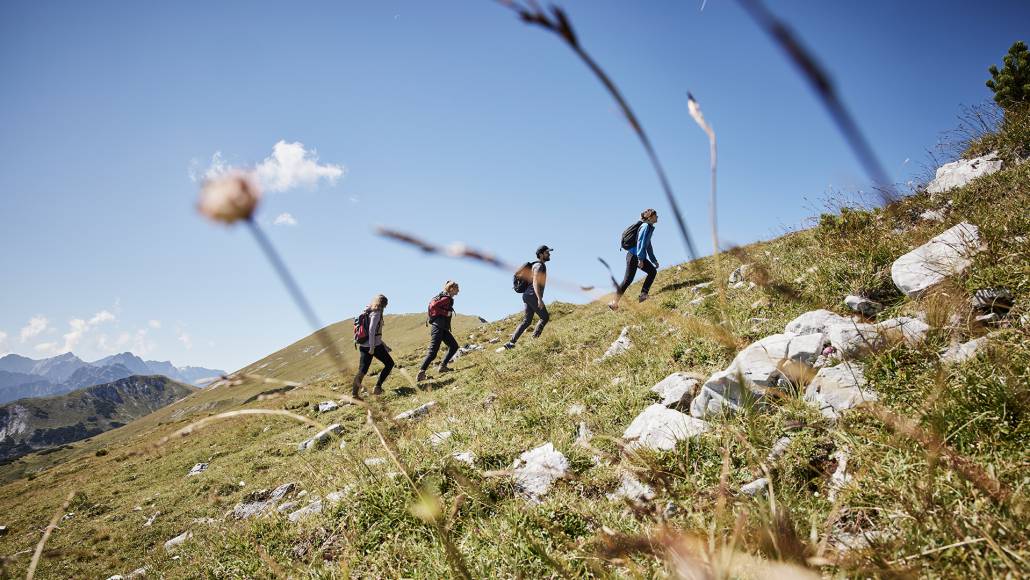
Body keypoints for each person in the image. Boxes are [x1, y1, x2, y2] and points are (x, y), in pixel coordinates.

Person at [609, 209, 659, 310]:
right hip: (633, 256)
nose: (657, 217)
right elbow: (640, 242)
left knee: (652, 272)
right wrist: (640, 259)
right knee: (628, 280)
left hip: (637, 255)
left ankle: (643, 295)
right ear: (650, 217)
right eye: (655, 216)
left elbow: (648, 245)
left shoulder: (649, 227)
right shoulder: (645, 226)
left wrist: (653, 260)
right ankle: (614, 302)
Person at [504, 245, 553, 349]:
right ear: (541, 255)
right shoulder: (539, 266)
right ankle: (533, 341)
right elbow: (535, 281)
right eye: (547, 252)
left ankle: (511, 343)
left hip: (527, 295)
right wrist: (539, 299)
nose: (549, 254)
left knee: (527, 320)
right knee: (544, 317)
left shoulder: (535, 265)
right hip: (532, 295)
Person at [416, 281, 461, 382]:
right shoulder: (446, 298)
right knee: (433, 352)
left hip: (442, 328)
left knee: (454, 346)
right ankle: (421, 374)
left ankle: (442, 366)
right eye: (457, 288)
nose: (458, 291)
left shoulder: (445, 297)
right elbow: (433, 306)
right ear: (451, 289)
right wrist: (445, 313)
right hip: (438, 328)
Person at [352, 294, 394, 399]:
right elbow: (371, 331)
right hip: (373, 346)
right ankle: (377, 387)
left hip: (364, 345)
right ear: (383, 304)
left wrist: (384, 345)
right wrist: (372, 347)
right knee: (389, 364)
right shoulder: (376, 313)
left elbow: (375, 334)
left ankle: (354, 395)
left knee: (362, 370)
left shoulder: (368, 311)